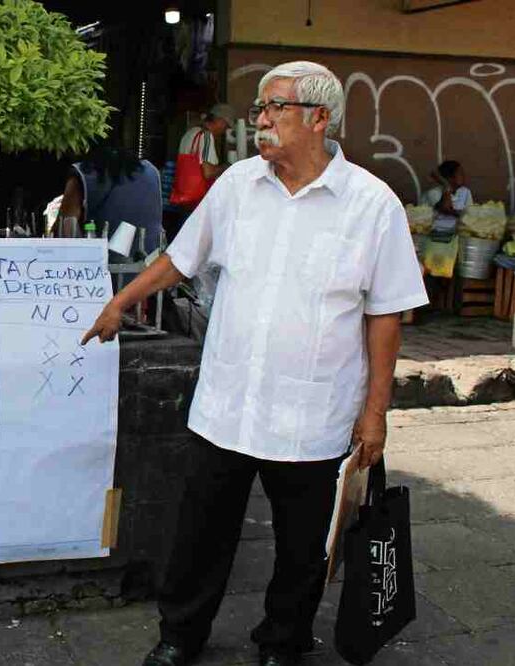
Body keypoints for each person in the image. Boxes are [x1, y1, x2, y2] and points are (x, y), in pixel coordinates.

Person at [82, 61, 427, 666]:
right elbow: (181, 259)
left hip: (313, 413)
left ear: (318, 119)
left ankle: (282, 642)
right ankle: (180, 634)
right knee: (199, 536)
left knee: (302, 547)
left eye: (275, 108)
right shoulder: (238, 185)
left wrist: (376, 413)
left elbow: (386, 315)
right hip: (228, 405)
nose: (261, 120)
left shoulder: (372, 205)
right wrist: (121, 301)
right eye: (259, 109)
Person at [56, 143, 164, 255]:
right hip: (153, 258)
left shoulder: (84, 172)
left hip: (104, 260)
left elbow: (67, 227)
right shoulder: (151, 170)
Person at [420, 160, 471, 235]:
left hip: (455, 233)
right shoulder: (433, 193)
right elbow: (446, 209)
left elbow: (469, 214)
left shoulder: (465, 192)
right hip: (434, 233)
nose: (464, 176)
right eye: (460, 173)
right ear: (450, 178)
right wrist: (446, 186)